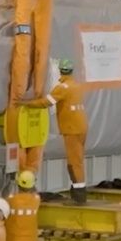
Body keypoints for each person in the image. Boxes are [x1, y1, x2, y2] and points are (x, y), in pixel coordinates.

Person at [49, 60, 90, 202]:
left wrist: (26, 104)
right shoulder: (77, 86)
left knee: (74, 162)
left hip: (71, 129)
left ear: (60, 70)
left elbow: (45, 102)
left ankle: (79, 196)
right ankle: (78, 191)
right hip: (81, 127)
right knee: (77, 160)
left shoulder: (62, 88)